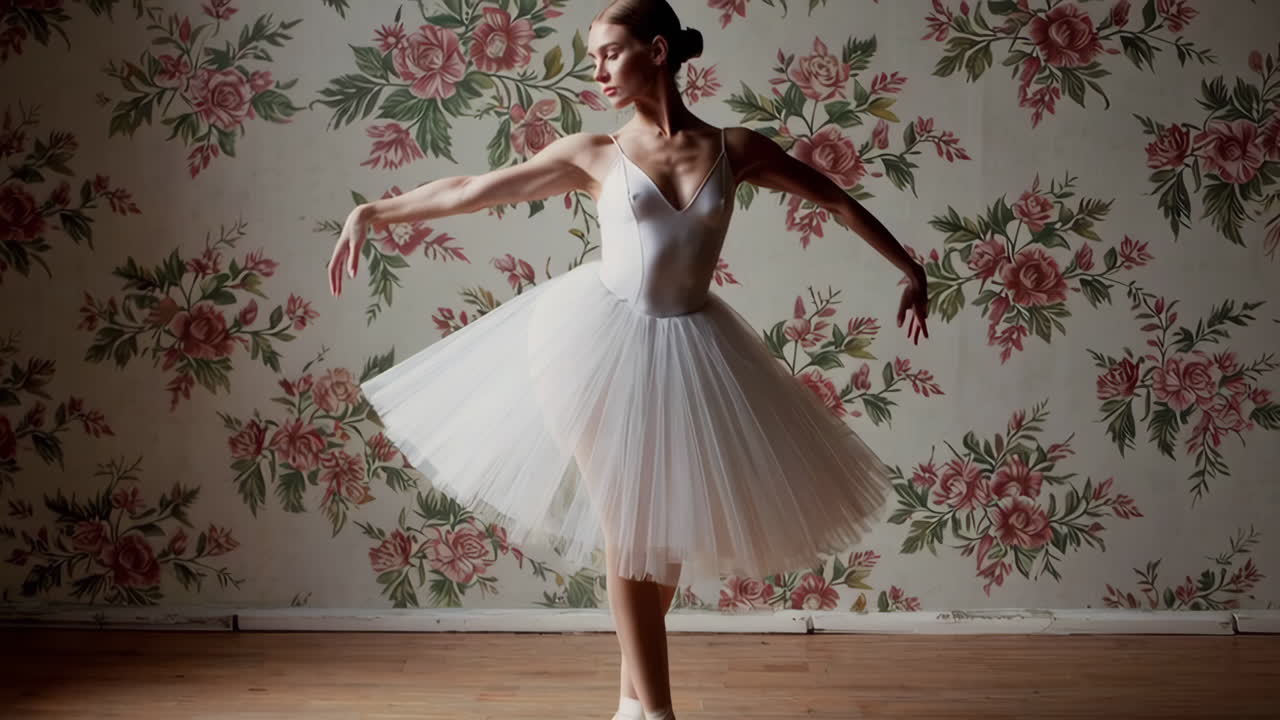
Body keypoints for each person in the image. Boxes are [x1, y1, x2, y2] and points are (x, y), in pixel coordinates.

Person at [327, 2, 929, 718]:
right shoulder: (594, 154)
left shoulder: (734, 149)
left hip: (693, 347)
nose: (598, 70)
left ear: (659, 50)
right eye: (594, 58)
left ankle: (627, 707)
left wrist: (910, 269)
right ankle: (662, 714)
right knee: (629, 528)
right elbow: (469, 190)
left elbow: (833, 198)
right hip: (591, 343)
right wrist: (374, 213)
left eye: (610, 53)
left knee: (663, 538)